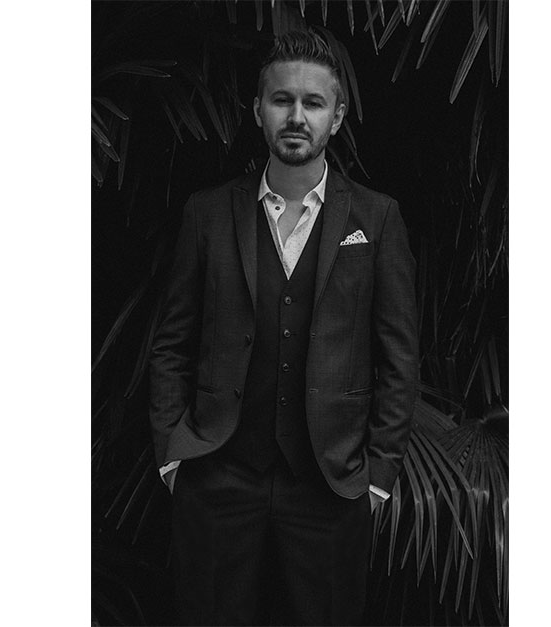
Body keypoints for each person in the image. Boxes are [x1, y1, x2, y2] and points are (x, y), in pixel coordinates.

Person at [148, 29, 419, 626]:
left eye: (313, 103)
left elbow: (398, 358)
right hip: (217, 475)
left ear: (336, 117)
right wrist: (174, 453)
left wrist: (377, 477)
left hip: (331, 483)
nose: (297, 116)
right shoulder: (207, 212)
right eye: (282, 100)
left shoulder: (377, 218)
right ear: (258, 110)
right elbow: (171, 343)